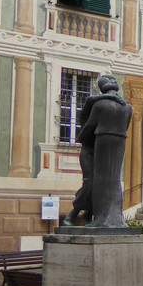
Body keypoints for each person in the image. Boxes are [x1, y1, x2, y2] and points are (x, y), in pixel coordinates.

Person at [75, 76, 132, 228]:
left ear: (102, 88)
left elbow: (90, 126)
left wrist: (81, 138)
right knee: (114, 179)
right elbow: (126, 126)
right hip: (120, 141)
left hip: (103, 139)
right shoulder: (127, 106)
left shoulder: (100, 104)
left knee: (101, 179)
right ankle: (115, 218)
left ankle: (102, 219)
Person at [62, 81, 104, 226]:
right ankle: (73, 214)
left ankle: (88, 214)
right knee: (90, 184)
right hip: (88, 151)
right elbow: (90, 100)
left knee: (99, 185)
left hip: (100, 152)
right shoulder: (90, 110)